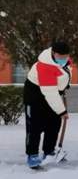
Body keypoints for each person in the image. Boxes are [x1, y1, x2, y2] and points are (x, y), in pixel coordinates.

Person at [23, 41, 72, 169]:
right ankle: (32, 155)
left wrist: (64, 85)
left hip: (52, 92)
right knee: (35, 126)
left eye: (66, 56)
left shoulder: (61, 59)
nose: (64, 59)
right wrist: (62, 111)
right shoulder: (45, 66)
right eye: (61, 57)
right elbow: (50, 93)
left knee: (54, 123)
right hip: (35, 95)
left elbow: (63, 72)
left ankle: (49, 151)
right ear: (53, 53)